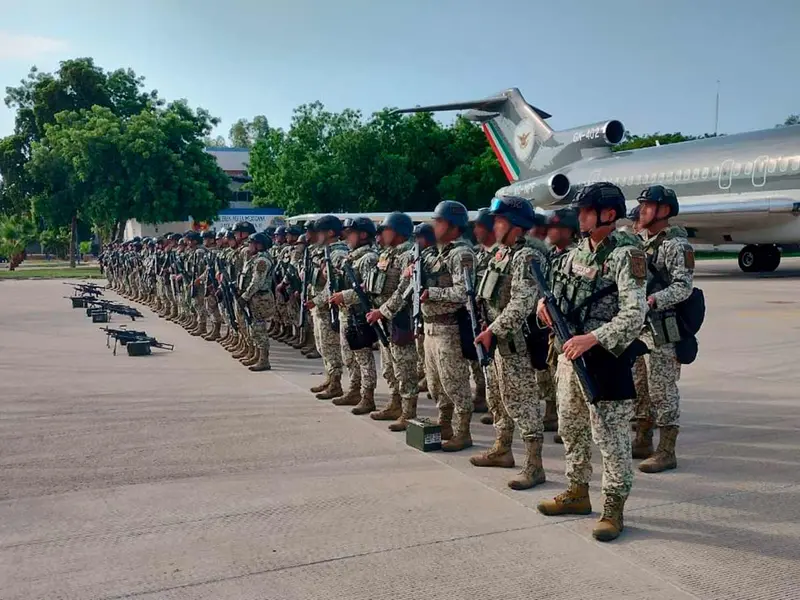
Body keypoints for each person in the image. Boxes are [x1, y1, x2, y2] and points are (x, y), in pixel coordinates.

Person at [536, 182, 648, 542]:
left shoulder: (626, 254)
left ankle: (613, 508)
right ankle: (577, 492)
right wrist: (544, 314)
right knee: (571, 428)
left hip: (605, 359)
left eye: (586, 210)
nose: (579, 216)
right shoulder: (574, 254)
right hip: (570, 356)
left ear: (609, 215)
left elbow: (635, 314)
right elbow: (560, 300)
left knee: (612, 438)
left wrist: (593, 338)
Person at [470, 196, 547, 490]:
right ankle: (502, 449)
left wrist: (493, 329)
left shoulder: (528, 257)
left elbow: (521, 302)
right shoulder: (500, 254)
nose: (494, 225)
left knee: (523, 402)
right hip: (495, 343)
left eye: (500, 220)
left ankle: (534, 465)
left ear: (515, 225)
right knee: (498, 399)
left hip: (516, 343)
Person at [633, 186, 694, 473]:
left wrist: (654, 300)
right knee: (639, 387)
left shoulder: (676, 246)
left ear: (665, 210)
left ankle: (667, 450)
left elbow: (683, 286)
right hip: (639, 327)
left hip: (662, 329)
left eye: (648, 205)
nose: (642, 210)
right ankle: (642, 439)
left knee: (662, 389)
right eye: (642, 205)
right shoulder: (639, 242)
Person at [419, 201, 476, 451]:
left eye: (438, 221)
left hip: (449, 328)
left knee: (455, 382)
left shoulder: (461, 254)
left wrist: (431, 292)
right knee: (435, 383)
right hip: (431, 327)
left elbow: (464, 291)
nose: (434, 225)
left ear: (453, 226)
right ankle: (445, 423)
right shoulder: (436, 253)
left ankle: (463, 431)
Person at [365, 212, 419, 430]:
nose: (382, 234)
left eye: (385, 230)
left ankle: (408, 412)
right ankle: (395, 404)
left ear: (397, 232)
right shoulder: (387, 255)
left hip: (399, 318)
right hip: (384, 318)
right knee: (389, 366)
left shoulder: (408, 255)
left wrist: (383, 311)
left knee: (404, 368)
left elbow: (404, 290)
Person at [327, 217, 380, 414]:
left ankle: (368, 396)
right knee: (349, 357)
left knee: (364, 358)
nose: (347, 237)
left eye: (351, 233)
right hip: (347, 313)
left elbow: (369, 289)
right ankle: (354, 390)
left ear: (363, 235)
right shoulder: (352, 257)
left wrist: (344, 296)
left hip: (360, 315)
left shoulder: (369, 258)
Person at [543, 208, 580, 443]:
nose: (550, 232)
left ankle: (575, 427)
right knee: (553, 375)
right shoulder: (551, 256)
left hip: (573, 330)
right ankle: (558, 417)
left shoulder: (577, 257)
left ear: (568, 230)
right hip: (553, 329)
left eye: (555, 227)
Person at [307, 216, 347, 399]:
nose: (317, 236)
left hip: (328, 307)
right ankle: (330, 377)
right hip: (319, 307)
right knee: (322, 345)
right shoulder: (324, 251)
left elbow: (333, 284)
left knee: (330, 347)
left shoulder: (337, 254)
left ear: (330, 233)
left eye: (320, 232)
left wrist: (317, 300)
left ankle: (336, 382)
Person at [469, 208, 495, 417]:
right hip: (479, 315)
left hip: (495, 320)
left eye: (479, 226)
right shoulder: (478, 255)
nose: (475, 230)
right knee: (478, 361)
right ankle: (482, 393)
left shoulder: (499, 256)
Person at [238, 232, 275, 371]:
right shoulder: (255, 258)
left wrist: (245, 296)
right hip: (255, 298)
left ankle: (264, 360)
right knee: (254, 329)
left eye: (251, 243)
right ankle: (257, 356)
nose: (249, 246)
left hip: (260, 299)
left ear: (259, 245)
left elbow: (257, 282)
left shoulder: (262, 261)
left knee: (260, 330)